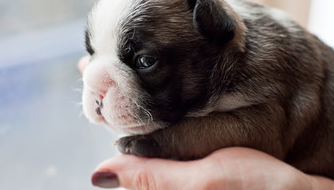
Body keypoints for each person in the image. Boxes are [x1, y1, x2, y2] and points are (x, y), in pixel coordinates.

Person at [78, 56, 334, 190]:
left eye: (145, 62)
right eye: (93, 54)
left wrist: (169, 141)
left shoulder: (257, 78)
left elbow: (261, 128)